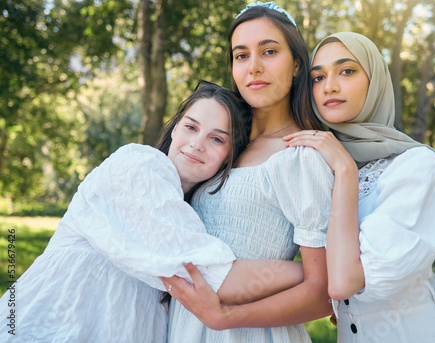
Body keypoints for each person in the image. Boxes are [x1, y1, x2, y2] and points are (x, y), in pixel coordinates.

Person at [0, 82, 306, 342]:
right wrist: (317, 277)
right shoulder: (139, 167)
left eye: (216, 139)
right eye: (190, 127)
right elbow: (211, 277)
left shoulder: (187, 210)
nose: (196, 144)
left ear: (230, 154)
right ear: (173, 130)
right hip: (54, 328)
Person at [283, 32, 435, 342]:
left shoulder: (417, 166)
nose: (330, 86)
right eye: (318, 77)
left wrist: (345, 170)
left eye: (347, 71)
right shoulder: (322, 167)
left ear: (374, 80)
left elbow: (343, 282)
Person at [163, 2, 333, 342]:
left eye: (269, 51)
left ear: (297, 64)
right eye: (241, 56)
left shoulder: (300, 156)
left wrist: (224, 318)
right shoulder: (220, 144)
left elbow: (323, 292)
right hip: (183, 327)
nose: (253, 67)